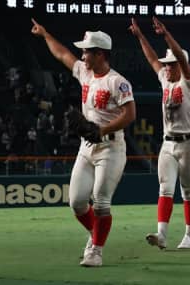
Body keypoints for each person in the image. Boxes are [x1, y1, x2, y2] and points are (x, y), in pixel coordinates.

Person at [30, 21, 136, 267]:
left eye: (87, 51)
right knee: (77, 202)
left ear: (100, 54)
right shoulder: (85, 72)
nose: (82, 55)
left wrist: (102, 129)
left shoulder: (117, 82)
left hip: (111, 148)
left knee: (100, 201)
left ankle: (96, 250)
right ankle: (95, 233)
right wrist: (46, 34)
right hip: (87, 147)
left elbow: (130, 115)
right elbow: (62, 54)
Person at [129, 17, 190, 251]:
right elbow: (152, 58)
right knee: (164, 188)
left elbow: (180, 56)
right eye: (167, 65)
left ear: (182, 65)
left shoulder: (188, 82)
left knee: (188, 191)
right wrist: (141, 36)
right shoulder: (165, 80)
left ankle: (189, 234)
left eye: (171, 64)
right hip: (168, 144)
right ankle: (161, 234)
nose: (167, 67)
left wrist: (167, 34)